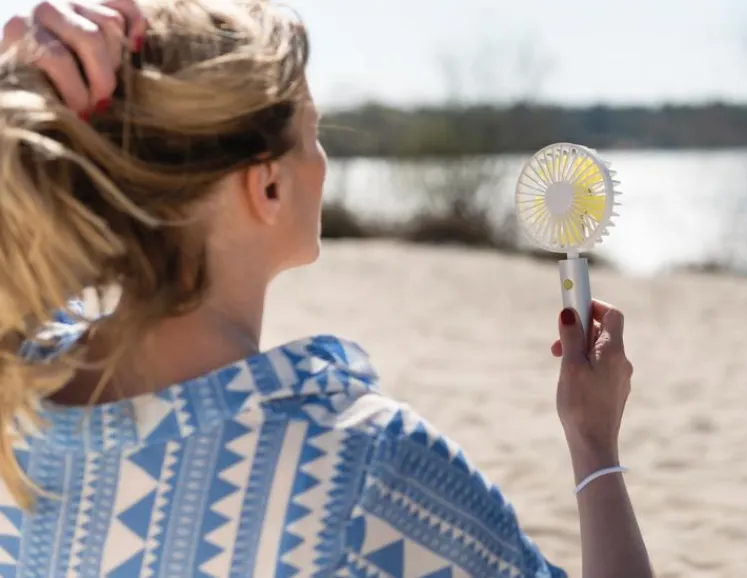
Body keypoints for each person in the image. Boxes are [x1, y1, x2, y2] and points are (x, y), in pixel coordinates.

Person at [0, 0, 653, 576]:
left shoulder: (16, 394)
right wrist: (593, 444)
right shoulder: (361, 469)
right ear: (268, 186)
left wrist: (17, 78)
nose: (323, 159)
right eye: (311, 133)